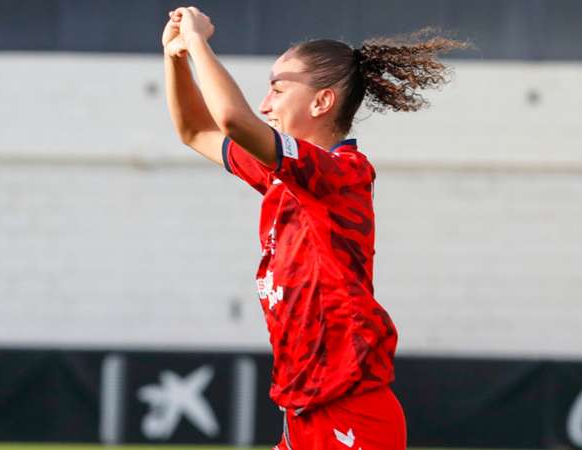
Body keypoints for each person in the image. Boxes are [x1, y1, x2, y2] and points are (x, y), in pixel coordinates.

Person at [162, 6, 466, 450]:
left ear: (322, 102)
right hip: (301, 412)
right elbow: (194, 130)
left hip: (350, 410)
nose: (266, 104)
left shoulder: (342, 173)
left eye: (277, 89)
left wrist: (200, 43)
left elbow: (232, 120)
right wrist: (176, 58)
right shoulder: (280, 175)